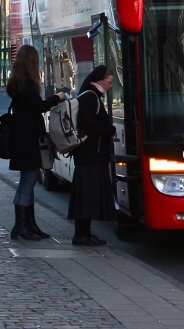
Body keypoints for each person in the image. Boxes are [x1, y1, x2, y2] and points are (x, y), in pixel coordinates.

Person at [6, 45, 68, 240]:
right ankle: (22, 226)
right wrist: (57, 97)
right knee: (28, 181)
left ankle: (28, 224)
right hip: (28, 139)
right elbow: (39, 106)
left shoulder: (16, 80)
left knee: (28, 181)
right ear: (32, 61)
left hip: (21, 138)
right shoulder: (26, 82)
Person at [68, 65, 116, 246]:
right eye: (108, 82)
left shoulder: (89, 94)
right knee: (87, 196)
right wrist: (109, 129)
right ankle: (81, 234)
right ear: (99, 80)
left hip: (89, 155)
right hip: (90, 154)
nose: (109, 86)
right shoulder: (90, 96)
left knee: (87, 195)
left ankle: (85, 233)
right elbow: (89, 122)